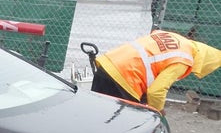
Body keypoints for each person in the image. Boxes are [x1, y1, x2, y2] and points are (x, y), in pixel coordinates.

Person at [91, 30, 221, 112]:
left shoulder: (174, 37)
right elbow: (156, 91)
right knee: (120, 124)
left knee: (95, 114)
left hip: (108, 65)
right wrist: (158, 111)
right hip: (125, 80)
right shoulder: (183, 59)